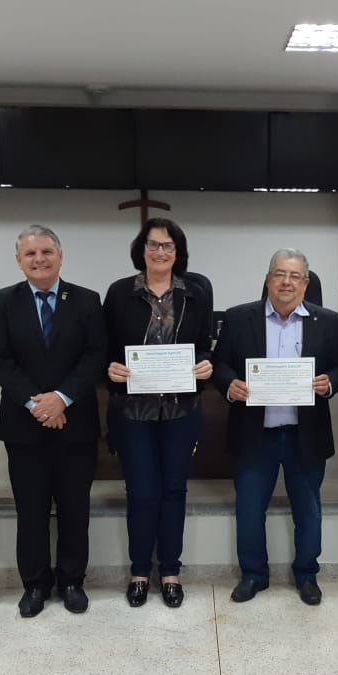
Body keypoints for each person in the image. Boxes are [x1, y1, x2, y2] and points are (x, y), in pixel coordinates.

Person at [211, 250, 338, 605]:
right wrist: (230, 385)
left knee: (308, 509)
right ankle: (254, 575)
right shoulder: (240, 318)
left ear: (306, 283)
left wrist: (329, 383)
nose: (286, 282)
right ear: (268, 280)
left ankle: (307, 575)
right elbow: (221, 363)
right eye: (279, 274)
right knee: (249, 508)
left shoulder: (328, 321)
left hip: (306, 434)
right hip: (254, 433)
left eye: (295, 276)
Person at [0, 226, 106, 617]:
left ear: (60, 255)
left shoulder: (87, 300)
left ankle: (72, 581)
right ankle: (35, 584)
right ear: (19, 260)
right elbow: (1, 360)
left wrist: (62, 398)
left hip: (76, 422)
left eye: (46, 252)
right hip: (25, 425)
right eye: (30, 253)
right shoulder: (2, 302)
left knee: (75, 508)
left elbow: (95, 355)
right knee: (31, 510)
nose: (39, 259)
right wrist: (37, 403)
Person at [104, 217, 214, 608]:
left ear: (178, 252)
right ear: (142, 250)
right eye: (153, 245)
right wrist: (110, 369)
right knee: (142, 492)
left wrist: (205, 365)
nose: (160, 252)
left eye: (168, 245)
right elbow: (105, 349)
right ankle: (138, 571)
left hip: (181, 411)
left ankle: (170, 571)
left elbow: (204, 346)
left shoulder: (196, 293)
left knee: (173, 491)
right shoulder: (119, 293)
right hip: (132, 412)